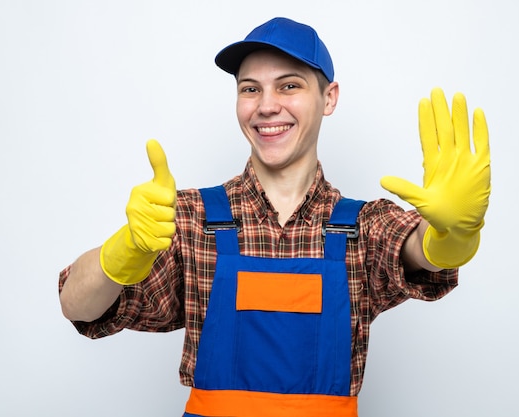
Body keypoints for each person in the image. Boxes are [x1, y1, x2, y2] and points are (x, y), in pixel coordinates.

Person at [58, 17, 491, 417]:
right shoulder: (190, 219)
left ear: (329, 98)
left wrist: (453, 235)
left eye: (288, 86)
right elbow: (76, 304)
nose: (266, 106)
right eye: (250, 89)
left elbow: (419, 251)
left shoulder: (362, 228)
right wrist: (123, 252)